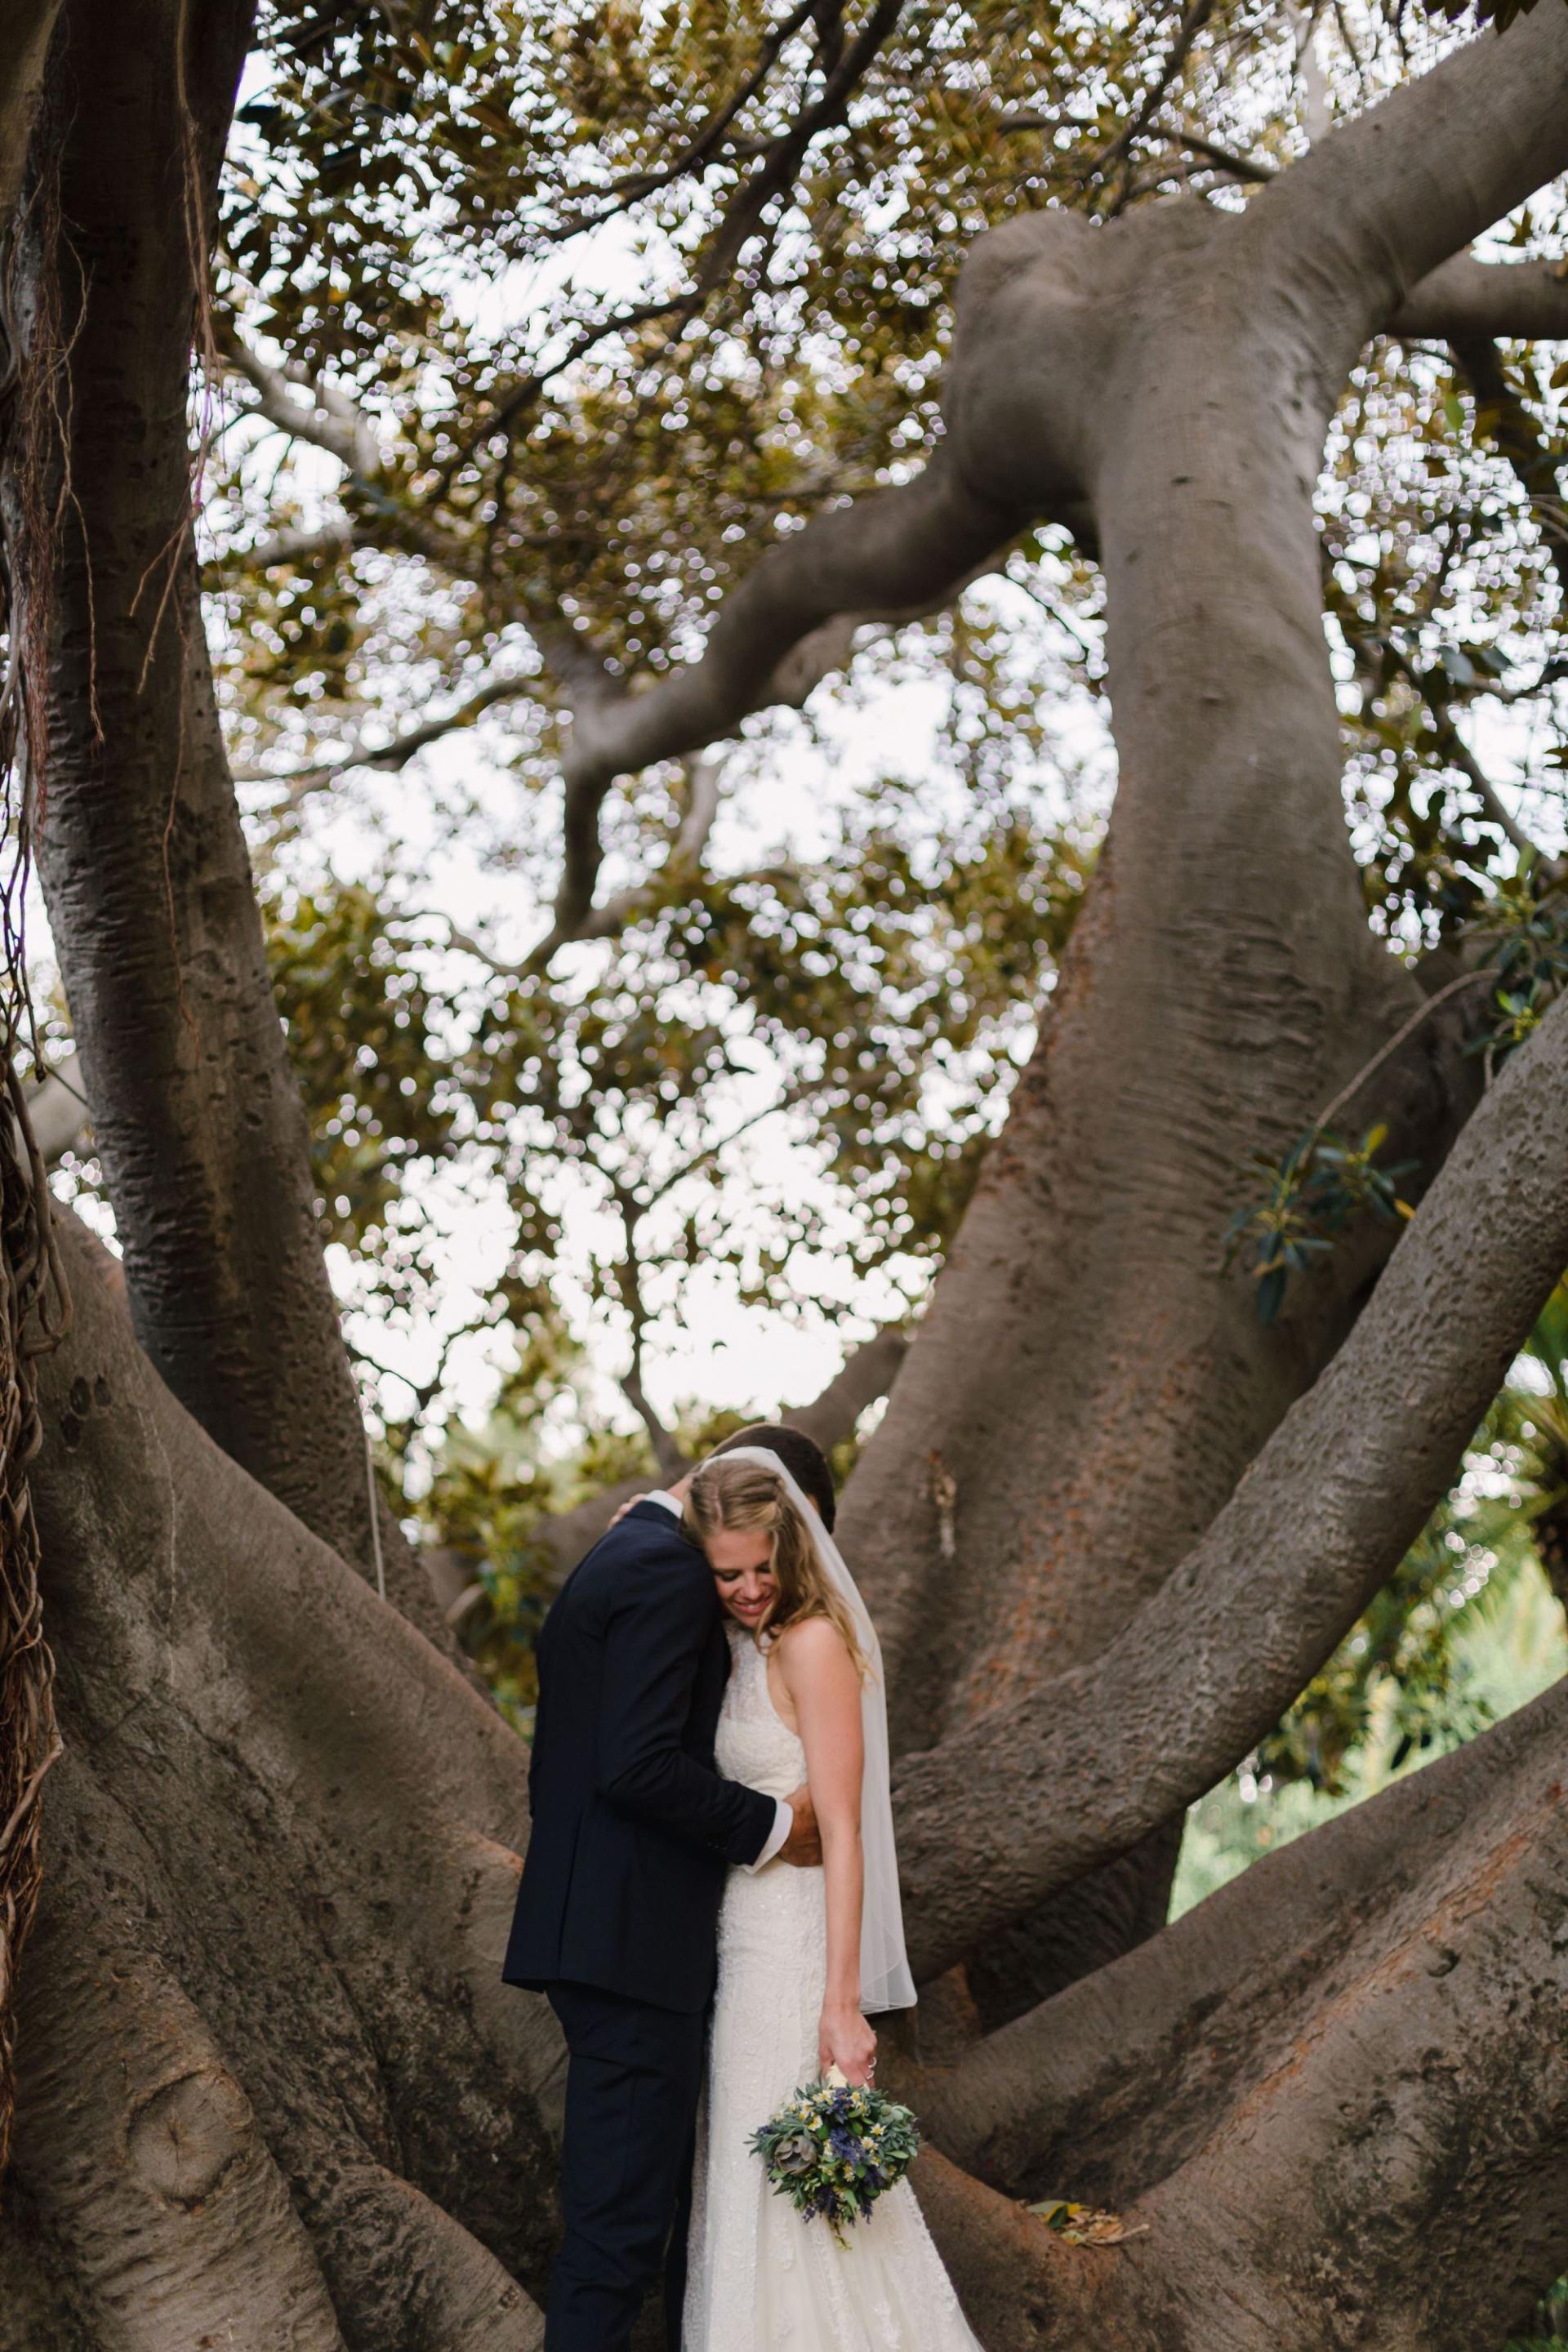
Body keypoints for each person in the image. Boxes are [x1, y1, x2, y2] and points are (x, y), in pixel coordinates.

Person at [501, 1423, 827, 2351]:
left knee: (623, 2225)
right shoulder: (667, 1574)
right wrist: (776, 1825)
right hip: (633, 1951)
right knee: (619, 2241)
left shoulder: (622, 1553)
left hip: (602, 1939)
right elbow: (636, 1765)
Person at [680, 1445, 984, 2352]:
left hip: (797, 1952)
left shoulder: (813, 1642)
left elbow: (845, 1833)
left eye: (761, 1568)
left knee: (811, 2204)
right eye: (725, 1572)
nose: (743, 1588)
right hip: (741, 1948)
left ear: (795, 1548)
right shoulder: (744, 1643)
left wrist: (843, 2006)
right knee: (747, 2194)